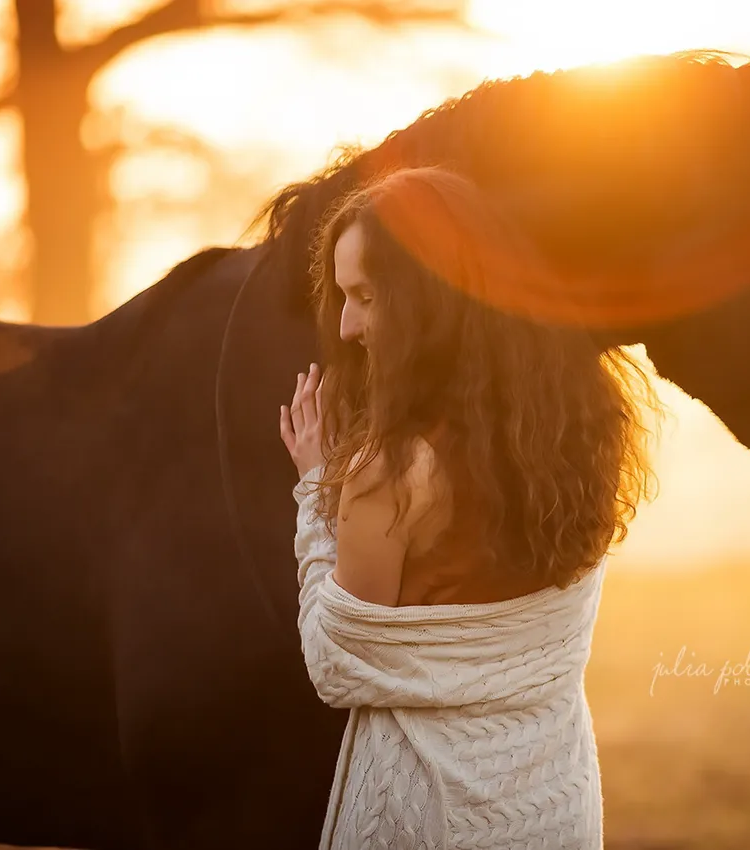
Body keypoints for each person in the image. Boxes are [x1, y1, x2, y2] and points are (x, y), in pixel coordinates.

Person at [277, 165, 661, 849]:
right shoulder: (583, 434)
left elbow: (336, 659)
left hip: (434, 812)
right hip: (554, 800)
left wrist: (314, 490)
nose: (347, 324)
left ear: (431, 297)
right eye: (342, 296)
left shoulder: (389, 473)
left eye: (365, 295)